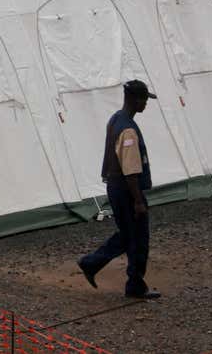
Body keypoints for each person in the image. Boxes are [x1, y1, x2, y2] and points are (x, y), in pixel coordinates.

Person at [78, 79, 161, 300]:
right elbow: (131, 169)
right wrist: (138, 201)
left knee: (127, 235)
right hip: (126, 190)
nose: (146, 104)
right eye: (144, 99)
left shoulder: (115, 119)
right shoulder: (129, 131)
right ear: (135, 100)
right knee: (139, 238)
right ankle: (135, 285)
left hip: (115, 187)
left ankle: (91, 263)